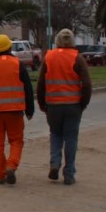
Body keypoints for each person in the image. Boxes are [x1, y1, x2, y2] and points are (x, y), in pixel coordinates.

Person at [36, 28, 92, 186]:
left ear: (57, 41)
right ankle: (69, 174)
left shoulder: (49, 57)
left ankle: (54, 164)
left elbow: (41, 83)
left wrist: (41, 103)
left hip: (53, 105)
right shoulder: (77, 58)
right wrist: (83, 103)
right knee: (71, 139)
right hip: (73, 106)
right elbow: (87, 84)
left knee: (55, 134)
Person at [0, 34, 35, 185]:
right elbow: (28, 88)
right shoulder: (18, 64)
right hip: (15, 111)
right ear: (9, 47)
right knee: (16, 141)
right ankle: (11, 165)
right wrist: (30, 109)